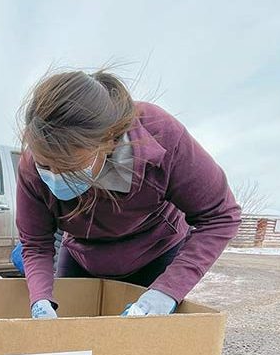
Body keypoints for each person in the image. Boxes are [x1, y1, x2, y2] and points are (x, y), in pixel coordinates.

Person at [15, 69, 241, 319]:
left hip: (155, 251)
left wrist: (165, 292)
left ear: (109, 140)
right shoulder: (31, 166)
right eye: (46, 165)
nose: (56, 176)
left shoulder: (161, 135)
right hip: (83, 254)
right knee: (71, 335)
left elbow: (220, 216)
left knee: (138, 347)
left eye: (69, 168)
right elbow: (36, 243)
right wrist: (41, 300)